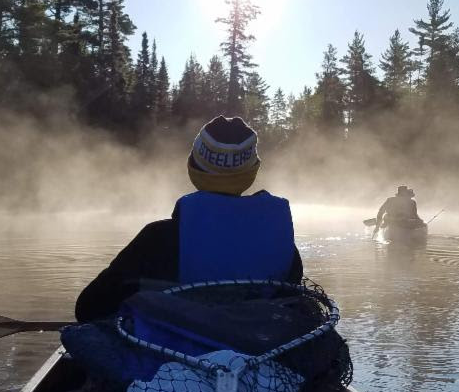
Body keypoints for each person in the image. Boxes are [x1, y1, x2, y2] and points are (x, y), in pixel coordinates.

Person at [75, 116, 302, 321]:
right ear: (252, 172)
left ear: (192, 168)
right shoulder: (282, 245)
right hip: (257, 355)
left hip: (171, 359)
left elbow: (88, 308)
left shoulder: (156, 240)